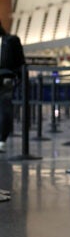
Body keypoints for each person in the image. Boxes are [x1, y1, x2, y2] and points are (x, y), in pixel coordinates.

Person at [0, 21, 25, 154]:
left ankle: (2, 139)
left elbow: (21, 62)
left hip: (6, 80)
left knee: (5, 109)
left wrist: (16, 78)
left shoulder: (11, 41)